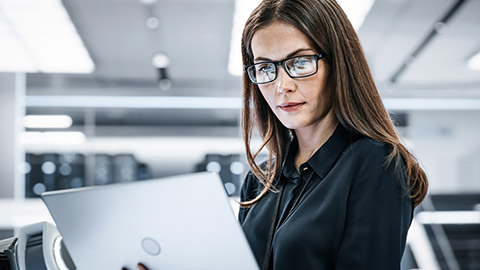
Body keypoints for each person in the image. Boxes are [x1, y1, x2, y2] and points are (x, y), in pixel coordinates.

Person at [238, 0, 428, 269]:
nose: (282, 86)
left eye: (300, 62)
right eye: (266, 68)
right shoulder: (260, 179)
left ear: (339, 65)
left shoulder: (376, 164)